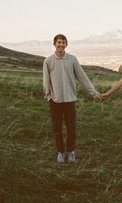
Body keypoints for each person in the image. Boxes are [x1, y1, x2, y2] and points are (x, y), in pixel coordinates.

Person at [43, 34, 103, 163]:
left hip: (70, 100)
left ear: (66, 44)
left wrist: (94, 93)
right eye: (59, 42)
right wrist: (49, 96)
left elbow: (83, 78)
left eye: (63, 42)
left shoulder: (72, 59)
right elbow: (46, 81)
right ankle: (60, 152)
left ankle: (70, 152)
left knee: (72, 128)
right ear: (54, 44)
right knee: (57, 129)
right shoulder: (48, 61)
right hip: (55, 101)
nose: (61, 45)